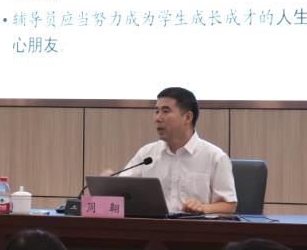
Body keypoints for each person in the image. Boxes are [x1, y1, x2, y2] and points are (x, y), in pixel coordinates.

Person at [102, 87, 237, 214]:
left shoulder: (214, 157)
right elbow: (124, 190)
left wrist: (203, 207)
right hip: (153, 227)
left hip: (195, 228)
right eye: (156, 111)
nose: (158, 118)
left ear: (188, 117)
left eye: (165, 111)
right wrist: (109, 184)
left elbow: (229, 205)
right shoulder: (147, 154)